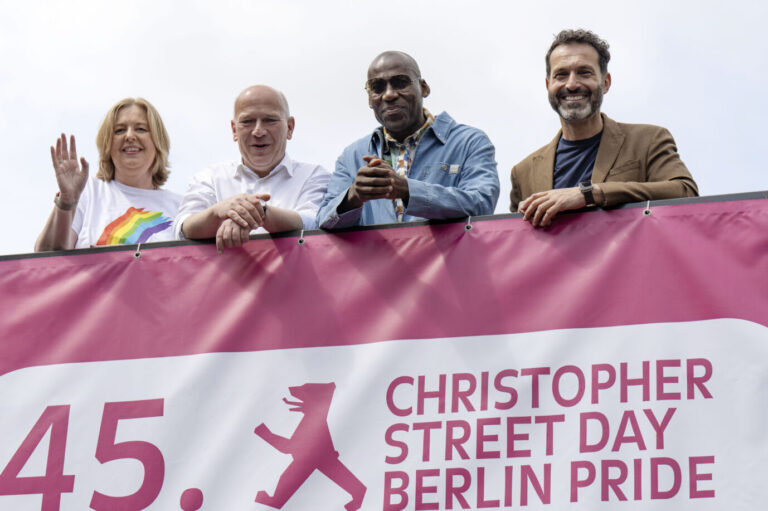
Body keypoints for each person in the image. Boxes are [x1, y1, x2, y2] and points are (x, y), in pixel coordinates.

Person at [510, 29, 698, 227]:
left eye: (584, 73)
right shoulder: (523, 172)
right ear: (548, 85)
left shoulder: (649, 140)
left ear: (605, 83)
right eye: (561, 75)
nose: (572, 84)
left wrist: (591, 194)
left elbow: (685, 191)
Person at [317, 51, 499, 229]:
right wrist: (353, 196)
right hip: (376, 260)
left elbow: (482, 203)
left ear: (424, 88)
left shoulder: (469, 142)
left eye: (400, 83)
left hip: (446, 260)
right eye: (377, 87)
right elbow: (322, 221)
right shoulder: (352, 156)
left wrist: (408, 190)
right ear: (369, 99)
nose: (389, 95)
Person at [174, 85, 330, 252]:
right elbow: (183, 228)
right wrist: (217, 212)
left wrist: (250, 213)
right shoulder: (210, 178)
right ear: (234, 130)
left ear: (290, 127)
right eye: (247, 121)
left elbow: (314, 222)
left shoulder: (314, 176)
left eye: (270, 120)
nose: (258, 131)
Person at [35, 98, 180, 251]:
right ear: (107, 145)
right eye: (119, 130)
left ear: (158, 142)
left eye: (141, 129)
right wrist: (66, 202)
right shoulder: (88, 192)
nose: (129, 136)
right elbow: (46, 258)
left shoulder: (181, 207)